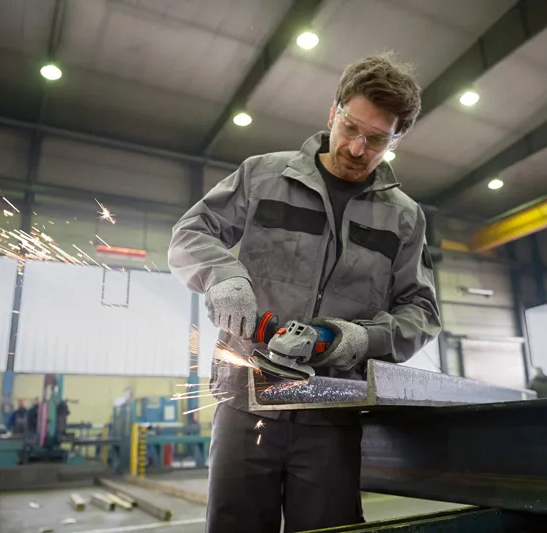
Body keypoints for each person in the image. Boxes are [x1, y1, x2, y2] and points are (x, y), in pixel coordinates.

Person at [168, 53, 441, 533]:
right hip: (245, 401)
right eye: (350, 127)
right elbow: (191, 233)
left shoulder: (403, 217)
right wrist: (223, 276)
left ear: (398, 139)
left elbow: (421, 312)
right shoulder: (262, 176)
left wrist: (355, 340)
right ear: (332, 111)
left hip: (332, 412)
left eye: (376, 139)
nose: (357, 148)